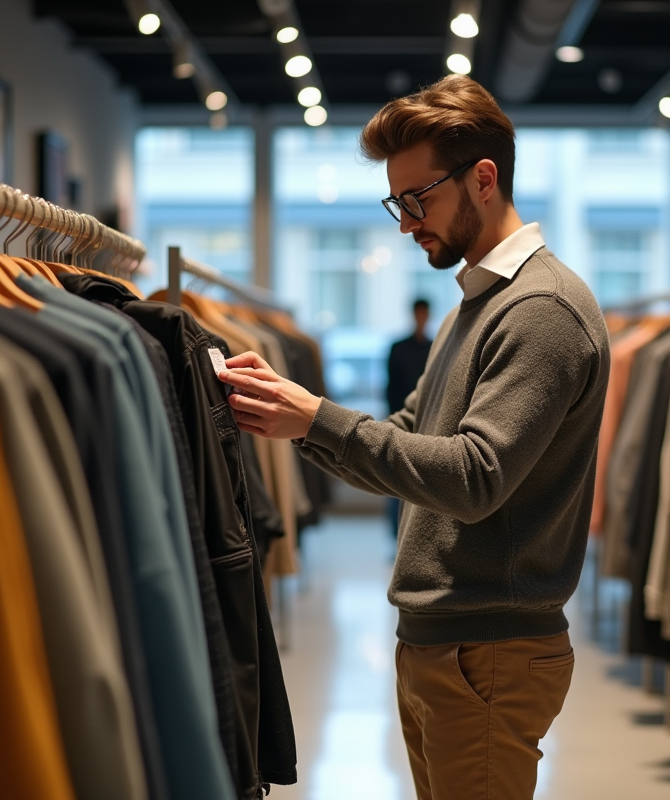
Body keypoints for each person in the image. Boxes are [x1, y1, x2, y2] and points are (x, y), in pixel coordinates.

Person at [217, 75, 610, 800]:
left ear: (483, 178)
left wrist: (316, 419)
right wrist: (295, 419)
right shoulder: (481, 300)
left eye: (417, 199)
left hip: (487, 648)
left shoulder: (542, 309)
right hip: (450, 642)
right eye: (397, 202)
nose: (405, 223)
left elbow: (473, 475)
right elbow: (409, 433)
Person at [384, 298, 433, 540]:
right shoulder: (399, 347)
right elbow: (391, 387)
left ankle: (417, 534)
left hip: (430, 424)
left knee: (421, 482)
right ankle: (396, 534)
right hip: (403, 420)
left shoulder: (435, 347)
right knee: (395, 479)